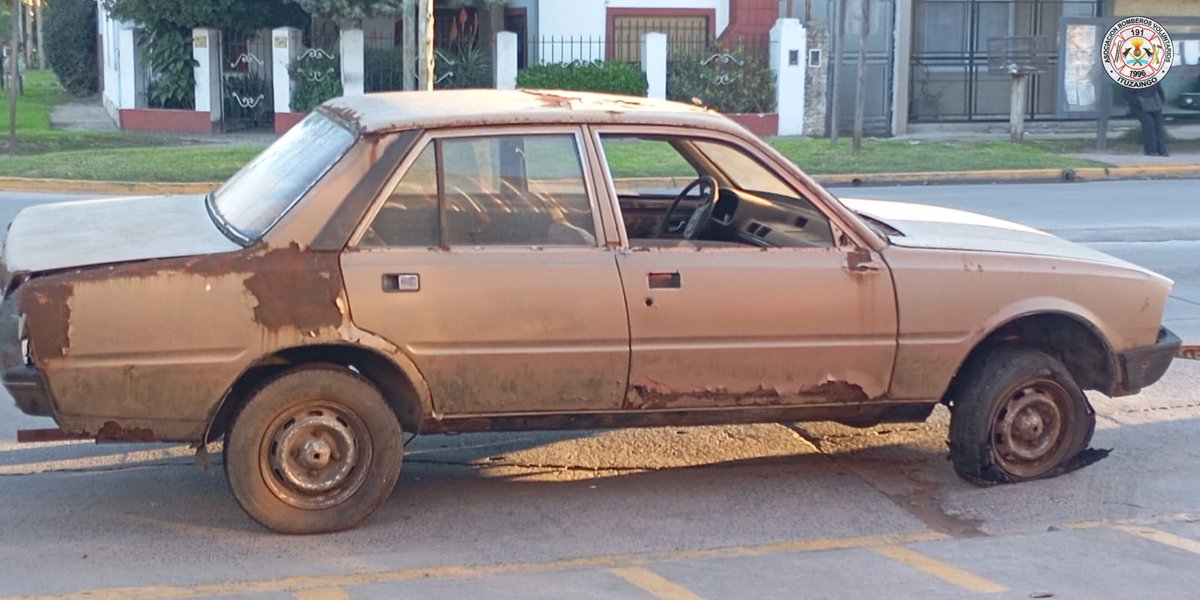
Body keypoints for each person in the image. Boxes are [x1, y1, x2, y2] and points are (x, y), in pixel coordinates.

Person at [1125, 81, 1168, 156]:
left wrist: (1161, 102)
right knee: (1149, 123)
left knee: (1159, 124)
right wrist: (1139, 101)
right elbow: (1127, 95)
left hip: (1155, 105)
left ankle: (1161, 149)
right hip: (1138, 107)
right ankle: (1151, 150)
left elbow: (1160, 91)